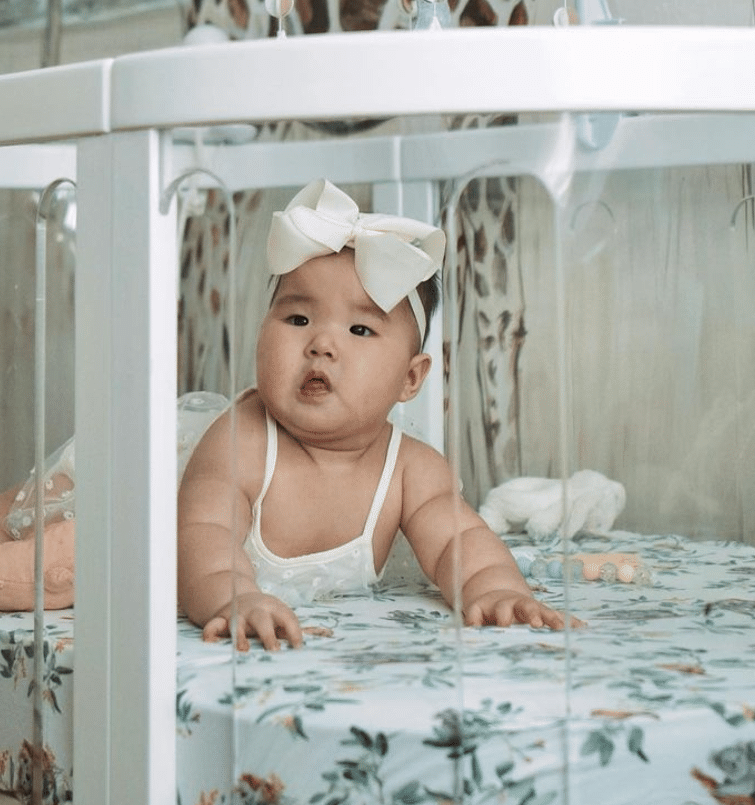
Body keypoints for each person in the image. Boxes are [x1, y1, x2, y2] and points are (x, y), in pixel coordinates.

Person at [177, 179, 567, 651]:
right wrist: (234, 597)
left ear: (410, 378)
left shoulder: (410, 469)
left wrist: (498, 590)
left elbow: (457, 542)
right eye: (298, 319)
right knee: (97, 542)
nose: (321, 343)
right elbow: (203, 536)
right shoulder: (243, 441)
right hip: (180, 539)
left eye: (360, 328)